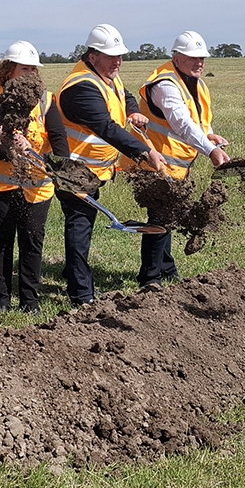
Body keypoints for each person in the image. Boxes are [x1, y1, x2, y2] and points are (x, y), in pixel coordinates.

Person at [55, 24, 166, 307]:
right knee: (79, 226)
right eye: (111, 56)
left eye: (120, 56)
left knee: (84, 224)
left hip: (93, 171)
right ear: (92, 56)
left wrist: (133, 111)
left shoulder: (106, 76)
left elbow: (125, 94)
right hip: (74, 170)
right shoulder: (80, 87)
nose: (118, 61)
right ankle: (82, 296)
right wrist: (145, 151)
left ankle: (72, 272)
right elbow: (106, 127)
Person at [0, 41, 66, 313]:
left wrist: (51, 163)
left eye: (33, 69)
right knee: (1, 241)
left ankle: (29, 301)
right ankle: (1, 298)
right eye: (24, 68)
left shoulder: (46, 99)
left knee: (32, 240)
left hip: (36, 185)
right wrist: (11, 151)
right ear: (9, 69)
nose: (30, 74)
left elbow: (59, 140)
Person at [132, 30, 231, 285]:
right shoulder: (166, 85)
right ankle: (150, 278)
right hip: (156, 162)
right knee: (160, 219)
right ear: (176, 57)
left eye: (202, 58)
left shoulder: (195, 82)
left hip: (176, 166)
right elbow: (181, 122)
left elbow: (197, 121)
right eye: (193, 58)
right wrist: (210, 151)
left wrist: (209, 135)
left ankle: (166, 269)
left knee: (169, 216)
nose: (199, 63)